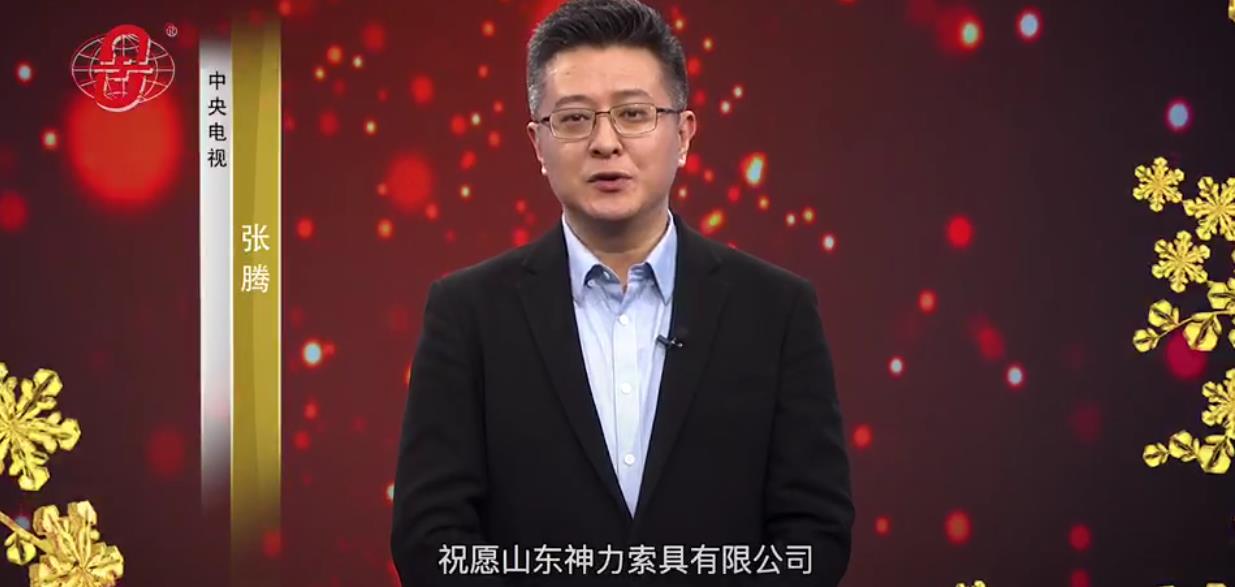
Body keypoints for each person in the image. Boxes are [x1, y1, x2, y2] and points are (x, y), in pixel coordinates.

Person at [390, 1, 853, 584]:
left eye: (634, 113)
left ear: (683, 134)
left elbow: (815, 532)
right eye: (574, 118)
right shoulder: (467, 314)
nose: (605, 142)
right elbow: (430, 537)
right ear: (537, 143)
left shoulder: (776, 312)